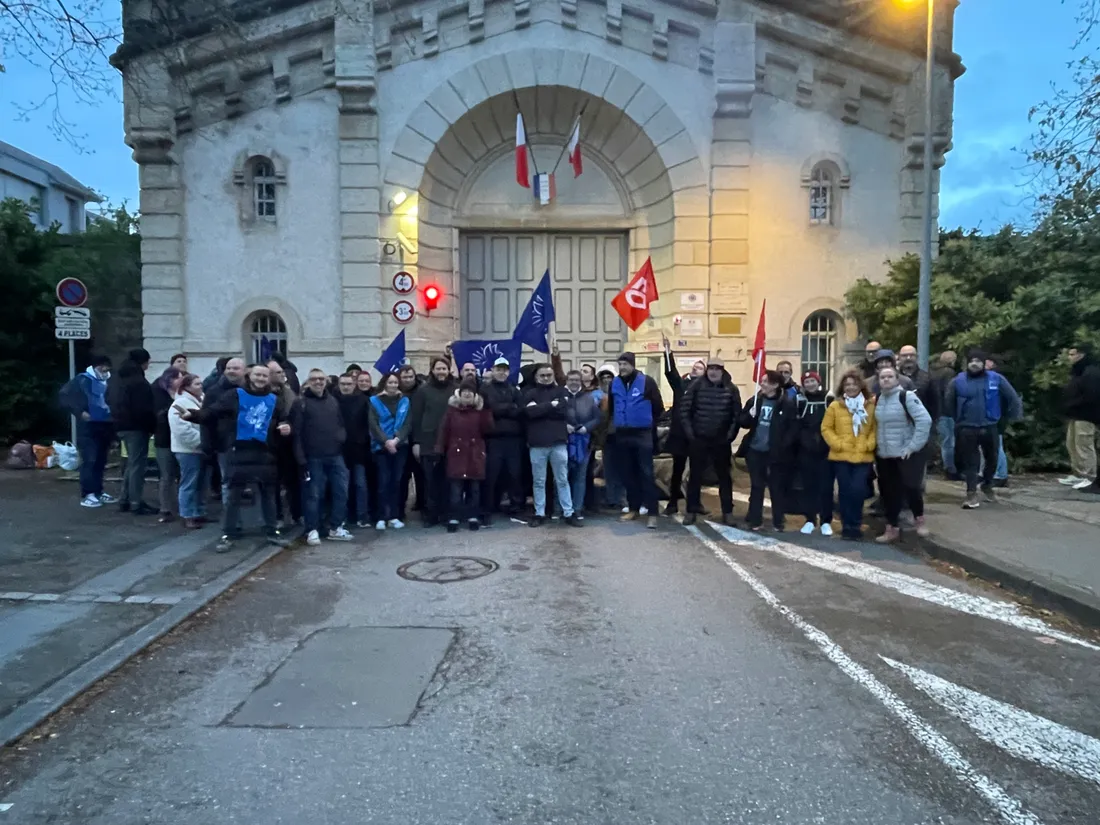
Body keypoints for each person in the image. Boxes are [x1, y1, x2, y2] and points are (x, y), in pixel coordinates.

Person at [178, 364, 292, 552]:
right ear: (249, 376)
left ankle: (272, 531)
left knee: (268, 496)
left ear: (269, 378)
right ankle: (228, 534)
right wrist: (193, 415)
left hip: (265, 453)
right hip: (239, 451)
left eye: (264, 376)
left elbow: (283, 420)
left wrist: (285, 427)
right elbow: (213, 412)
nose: (261, 378)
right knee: (233, 496)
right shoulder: (235, 395)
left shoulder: (275, 400)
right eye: (257, 375)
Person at [943, 349, 1023, 509]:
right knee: (971, 462)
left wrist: (1008, 419)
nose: (974, 364)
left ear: (984, 363)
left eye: (978, 361)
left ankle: (987, 484)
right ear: (967, 363)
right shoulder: (957, 381)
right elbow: (948, 402)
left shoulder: (996, 379)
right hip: (967, 427)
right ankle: (971, 493)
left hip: (990, 425)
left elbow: (1012, 398)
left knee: (992, 459)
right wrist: (958, 420)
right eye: (971, 361)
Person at [293, 369, 353, 546]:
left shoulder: (332, 401)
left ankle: (336, 527)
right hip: (313, 457)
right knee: (313, 495)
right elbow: (296, 433)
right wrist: (300, 459)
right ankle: (312, 529)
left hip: (335, 455)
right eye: (314, 379)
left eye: (321, 379)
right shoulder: (301, 403)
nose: (318, 382)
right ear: (308, 382)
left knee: (341, 492)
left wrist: (341, 437)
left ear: (326, 381)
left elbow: (340, 423)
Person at [680, 357, 742, 526]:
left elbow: (736, 415)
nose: (713, 372)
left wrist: (729, 436)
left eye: (717, 368)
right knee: (695, 477)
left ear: (722, 370)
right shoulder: (696, 386)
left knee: (724, 477)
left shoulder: (731, 388)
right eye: (711, 368)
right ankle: (691, 511)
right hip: (699, 439)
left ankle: (727, 512)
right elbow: (685, 410)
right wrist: (691, 434)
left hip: (721, 441)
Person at [873, 366, 932, 541]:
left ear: (897, 379)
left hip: (905, 453)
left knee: (911, 487)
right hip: (884, 454)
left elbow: (924, 421)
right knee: (888, 492)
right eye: (882, 377)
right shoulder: (877, 399)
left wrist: (913, 446)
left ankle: (919, 519)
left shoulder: (906, 397)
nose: (886, 379)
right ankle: (892, 527)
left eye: (889, 376)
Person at [606, 352, 664, 529]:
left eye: (625, 364)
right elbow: (612, 407)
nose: (622, 367)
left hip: (642, 434)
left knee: (646, 473)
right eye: (620, 364)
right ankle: (634, 508)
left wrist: (646, 421)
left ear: (633, 364)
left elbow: (658, 407)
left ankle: (652, 512)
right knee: (627, 473)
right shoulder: (614, 383)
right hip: (622, 434)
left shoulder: (647, 382)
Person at [736, 369, 798, 531]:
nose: (761, 384)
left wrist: (783, 446)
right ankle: (755, 519)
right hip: (755, 450)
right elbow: (742, 421)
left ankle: (778, 521)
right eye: (762, 380)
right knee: (757, 486)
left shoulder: (786, 403)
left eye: (765, 381)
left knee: (776, 487)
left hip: (775, 452)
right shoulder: (755, 400)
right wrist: (749, 415)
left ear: (775, 385)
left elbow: (793, 428)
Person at [821, 370, 877, 540]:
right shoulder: (835, 406)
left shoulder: (870, 406)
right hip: (841, 456)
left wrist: (869, 444)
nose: (851, 387)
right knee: (845, 492)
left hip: (863, 456)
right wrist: (837, 444)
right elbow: (826, 428)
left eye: (854, 384)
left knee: (858, 491)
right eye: (847, 384)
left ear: (860, 386)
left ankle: (856, 524)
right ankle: (847, 526)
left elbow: (875, 428)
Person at [523, 362, 581, 527]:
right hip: (537, 443)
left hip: (558, 442)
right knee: (539, 481)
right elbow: (529, 413)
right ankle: (539, 513)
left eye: (549, 375)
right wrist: (551, 406)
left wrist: (541, 408)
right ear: (536, 377)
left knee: (562, 480)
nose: (546, 378)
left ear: (553, 376)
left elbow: (562, 411)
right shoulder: (529, 393)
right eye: (542, 375)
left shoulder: (561, 391)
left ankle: (568, 513)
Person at [60, 354, 117, 508]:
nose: (105, 371)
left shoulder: (108, 381)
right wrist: (79, 412)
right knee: (90, 459)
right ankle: (88, 493)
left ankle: (98, 491)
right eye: (102, 367)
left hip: (105, 425)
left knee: (100, 460)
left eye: (106, 368)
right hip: (88, 426)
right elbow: (65, 396)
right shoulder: (82, 380)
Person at [436, 379, 493, 532]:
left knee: (474, 488)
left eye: (470, 392)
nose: (467, 394)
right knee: (456, 488)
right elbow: (444, 430)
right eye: (464, 392)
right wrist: (439, 448)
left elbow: (488, 429)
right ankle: (454, 516)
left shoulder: (480, 411)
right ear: (459, 394)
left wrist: (486, 411)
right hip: (457, 453)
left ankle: (472, 516)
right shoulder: (451, 411)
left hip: (475, 453)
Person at [108, 347, 157, 515]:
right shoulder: (139, 382)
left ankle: (125, 499)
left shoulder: (117, 379)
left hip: (121, 425)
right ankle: (135, 501)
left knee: (131, 463)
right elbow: (144, 408)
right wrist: (151, 427)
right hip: (136, 426)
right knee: (137, 465)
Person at [410, 357, 456, 526]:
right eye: (438, 369)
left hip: (450, 442)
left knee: (447, 481)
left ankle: (445, 514)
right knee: (429, 481)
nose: (441, 372)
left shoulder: (455, 389)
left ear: (448, 370)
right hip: (428, 441)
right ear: (432, 370)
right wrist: (416, 442)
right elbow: (416, 418)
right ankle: (430, 515)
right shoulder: (422, 391)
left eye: (444, 368)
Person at [661, 337, 704, 515]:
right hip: (680, 434)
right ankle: (672, 503)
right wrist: (668, 352)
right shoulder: (682, 385)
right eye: (695, 366)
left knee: (696, 472)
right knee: (677, 470)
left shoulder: (705, 388)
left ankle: (695, 504)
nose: (695, 368)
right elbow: (670, 373)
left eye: (700, 367)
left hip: (696, 435)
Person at [480, 356, 524, 523]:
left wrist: (502, 409)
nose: (501, 372)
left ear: (508, 372)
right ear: (492, 370)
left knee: (514, 474)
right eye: (498, 369)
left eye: (504, 370)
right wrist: (509, 407)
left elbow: (520, 410)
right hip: (493, 439)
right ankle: (487, 508)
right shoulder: (485, 390)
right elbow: (490, 409)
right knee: (491, 475)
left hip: (513, 439)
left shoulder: (514, 390)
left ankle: (515, 507)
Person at [369, 372, 412, 528]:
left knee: (396, 481)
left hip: (400, 446)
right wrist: (386, 442)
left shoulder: (404, 401)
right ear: (385, 384)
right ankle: (382, 516)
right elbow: (373, 424)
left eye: (395, 382)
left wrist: (396, 440)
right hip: (381, 447)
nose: (393, 385)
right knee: (383, 481)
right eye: (390, 382)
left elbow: (407, 423)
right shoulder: (374, 401)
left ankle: (394, 516)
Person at [795, 371, 833, 535]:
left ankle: (826, 521)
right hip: (806, 450)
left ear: (818, 382)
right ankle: (810, 519)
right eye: (807, 381)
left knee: (826, 487)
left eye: (812, 381)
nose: (810, 384)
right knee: (808, 486)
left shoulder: (828, 399)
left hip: (826, 450)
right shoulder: (800, 400)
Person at [563, 369, 602, 519]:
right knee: (562, 478)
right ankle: (561, 508)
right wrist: (564, 426)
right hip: (564, 442)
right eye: (571, 380)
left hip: (584, 442)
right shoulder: (561, 396)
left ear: (581, 382)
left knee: (580, 477)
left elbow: (597, 418)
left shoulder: (589, 398)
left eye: (576, 380)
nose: (573, 382)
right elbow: (555, 416)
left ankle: (577, 508)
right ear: (566, 381)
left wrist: (586, 428)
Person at [168, 373, 207, 529]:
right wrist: (201, 441)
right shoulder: (179, 404)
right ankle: (187, 514)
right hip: (187, 450)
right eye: (196, 384)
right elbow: (181, 430)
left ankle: (198, 511)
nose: (200, 386)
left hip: (201, 449)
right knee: (189, 482)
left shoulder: (202, 400)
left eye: (200, 383)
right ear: (186, 387)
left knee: (201, 483)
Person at [1061, 344, 1100, 490]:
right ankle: (1078, 473)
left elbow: (1091, 395)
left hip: (1086, 414)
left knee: (1084, 444)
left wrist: (1074, 403)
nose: (1069, 357)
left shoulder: (1090, 372)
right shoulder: (1078, 371)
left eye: (1072, 354)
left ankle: (1089, 475)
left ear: (1081, 355)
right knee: (1072, 444)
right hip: (1075, 413)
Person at [336, 373, 372, 528]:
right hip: (339, 449)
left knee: (360, 484)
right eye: (343, 384)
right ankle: (343, 516)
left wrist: (362, 439)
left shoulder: (363, 400)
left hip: (359, 449)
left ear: (354, 385)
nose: (346, 387)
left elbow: (369, 423)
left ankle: (362, 516)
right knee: (341, 485)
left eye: (349, 384)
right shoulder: (333, 401)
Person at [152, 367, 184, 522]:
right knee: (166, 475)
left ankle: (181, 506)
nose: (181, 380)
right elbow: (156, 414)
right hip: (164, 438)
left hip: (179, 438)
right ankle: (165, 509)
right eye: (178, 377)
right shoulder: (159, 394)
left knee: (181, 474)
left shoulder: (182, 394)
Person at [397, 364, 425, 519]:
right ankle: (400, 509)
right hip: (400, 440)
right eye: (404, 377)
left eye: (410, 377)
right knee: (402, 476)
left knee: (421, 476)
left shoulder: (421, 391)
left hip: (418, 439)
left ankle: (422, 505)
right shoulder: (396, 392)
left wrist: (418, 440)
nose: (407, 380)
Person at [930, 351, 959, 479]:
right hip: (947, 411)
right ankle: (951, 469)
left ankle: (947, 467)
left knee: (944, 440)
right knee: (949, 441)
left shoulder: (933, 372)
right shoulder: (949, 373)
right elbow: (949, 392)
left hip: (936, 411)